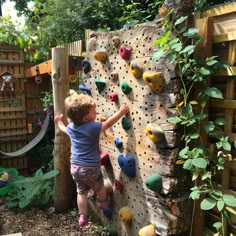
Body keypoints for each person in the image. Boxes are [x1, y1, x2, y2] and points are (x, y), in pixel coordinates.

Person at [54, 92, 129, 226]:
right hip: (91, 167)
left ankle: (83, 216)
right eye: (94, 112)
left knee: (81, 192)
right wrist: (121, 112)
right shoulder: (92, 126)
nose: (96, 113)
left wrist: (58, 120)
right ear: (85, 118)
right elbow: (108, 123)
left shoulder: (71, 127)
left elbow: (62, 128)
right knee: (99, 187)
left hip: (75, 168)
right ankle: (104, 204)